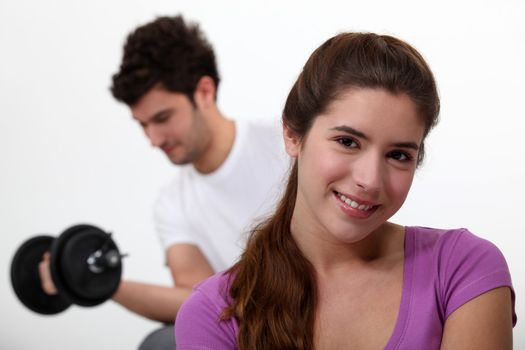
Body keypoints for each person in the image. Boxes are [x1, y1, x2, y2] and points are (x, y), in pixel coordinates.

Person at [174, 32, 517, 349]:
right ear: (293, 134)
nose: (370, 180)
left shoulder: (463, 267)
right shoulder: (215, 313)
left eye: (398, 155)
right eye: (348, 142)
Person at [39, 15, 289, 349]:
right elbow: (193, 299)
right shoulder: (173, 203)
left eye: (162, 118)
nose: (153, 139)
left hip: (325, 307)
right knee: (163, 343)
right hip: (259, 333)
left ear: (204, 91)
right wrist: (96, 282)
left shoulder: (284, 142)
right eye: (142, 125)